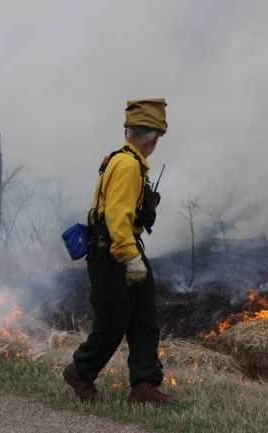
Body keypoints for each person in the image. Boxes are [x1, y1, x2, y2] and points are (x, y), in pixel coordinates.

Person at [63, 99, 178, 404]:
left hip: (122, 247)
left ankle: (144, 385)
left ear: (128, 132)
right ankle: (80, 371)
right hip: (114, 253)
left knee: (144, 318)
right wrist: (131, 258)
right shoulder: (127, 165)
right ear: (155, 138)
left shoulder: (125, 160)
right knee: (113, 323)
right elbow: (116, 216)